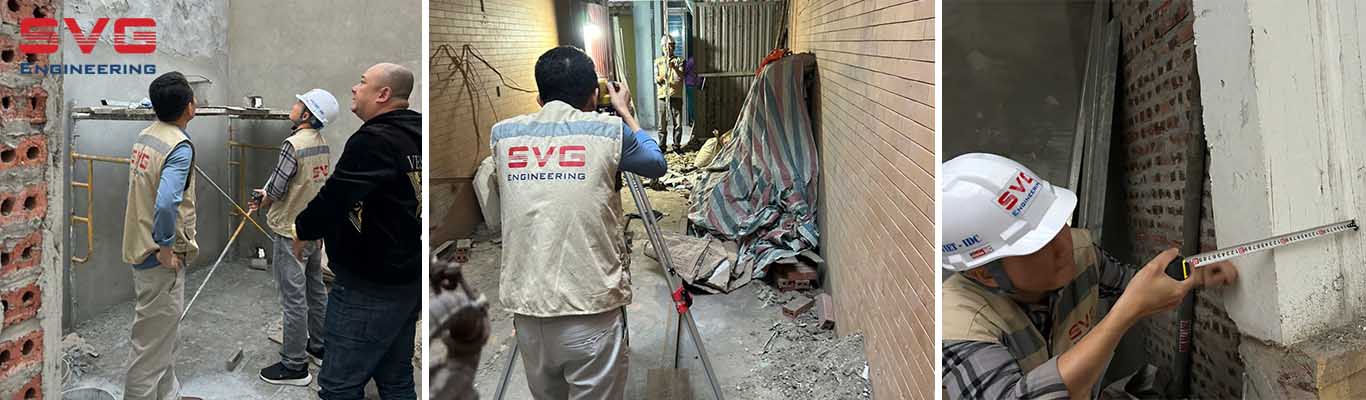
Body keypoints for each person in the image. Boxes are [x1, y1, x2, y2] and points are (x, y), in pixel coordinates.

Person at [939, 153, 1240, 399]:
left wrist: (1194, 274)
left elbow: (1129, 284)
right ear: (986, 273)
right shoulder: (956, 324)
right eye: (1038, 244)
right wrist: (1126, 314)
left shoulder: (1081, 254)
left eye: (1057, 224)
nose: (1063, 246)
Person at [491, 45, 666, 399]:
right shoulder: (610, 132)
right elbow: (656, 163)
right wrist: (626, 112)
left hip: (527, 310)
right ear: (593, 96)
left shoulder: (503, 135)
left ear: (539, 97)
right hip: (591, 309)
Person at [294, 63, 422, 399]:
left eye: (363, 82)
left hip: (369, 285)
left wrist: (303, 228)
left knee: (339, 385)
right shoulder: (418, 132)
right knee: (396, 379)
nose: (355, 87)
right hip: (407, 278)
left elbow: (337, 195)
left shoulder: (374, 139)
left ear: (383, 94)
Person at [119, 71, 203, 400]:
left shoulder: (147, 135)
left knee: (164, 334)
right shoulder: (179, 147)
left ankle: (169, 395)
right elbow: (167, 202)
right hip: (157, 256)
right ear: (189, 107)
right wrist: (166, 248)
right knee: (150, 348)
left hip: (139, 242)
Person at [249, 88, 340, 386]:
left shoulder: (293, 144)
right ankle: (319, 347)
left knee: (293, 299)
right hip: (313, 228)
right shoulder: (320, 142)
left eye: (299, 103)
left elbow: (277, 189)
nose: (294, 105)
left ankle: (294, 365)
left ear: (307, 115)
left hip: (290, 232)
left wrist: (264, 198)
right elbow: (308, 182)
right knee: (315, 290)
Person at [654, 33, 684, 152]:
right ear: (662, 47)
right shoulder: (658, 62)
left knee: (678, 123)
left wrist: (674, 68)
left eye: (671, 45)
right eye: (666, 45)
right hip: (662, 96)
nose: (669, 48)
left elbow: (681, 77)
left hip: (676, 95)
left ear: (674, 47)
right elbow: (656, 78)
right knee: (662, 123)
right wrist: (662, 77)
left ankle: (676, 146)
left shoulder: (679, 60)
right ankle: (662, 146)